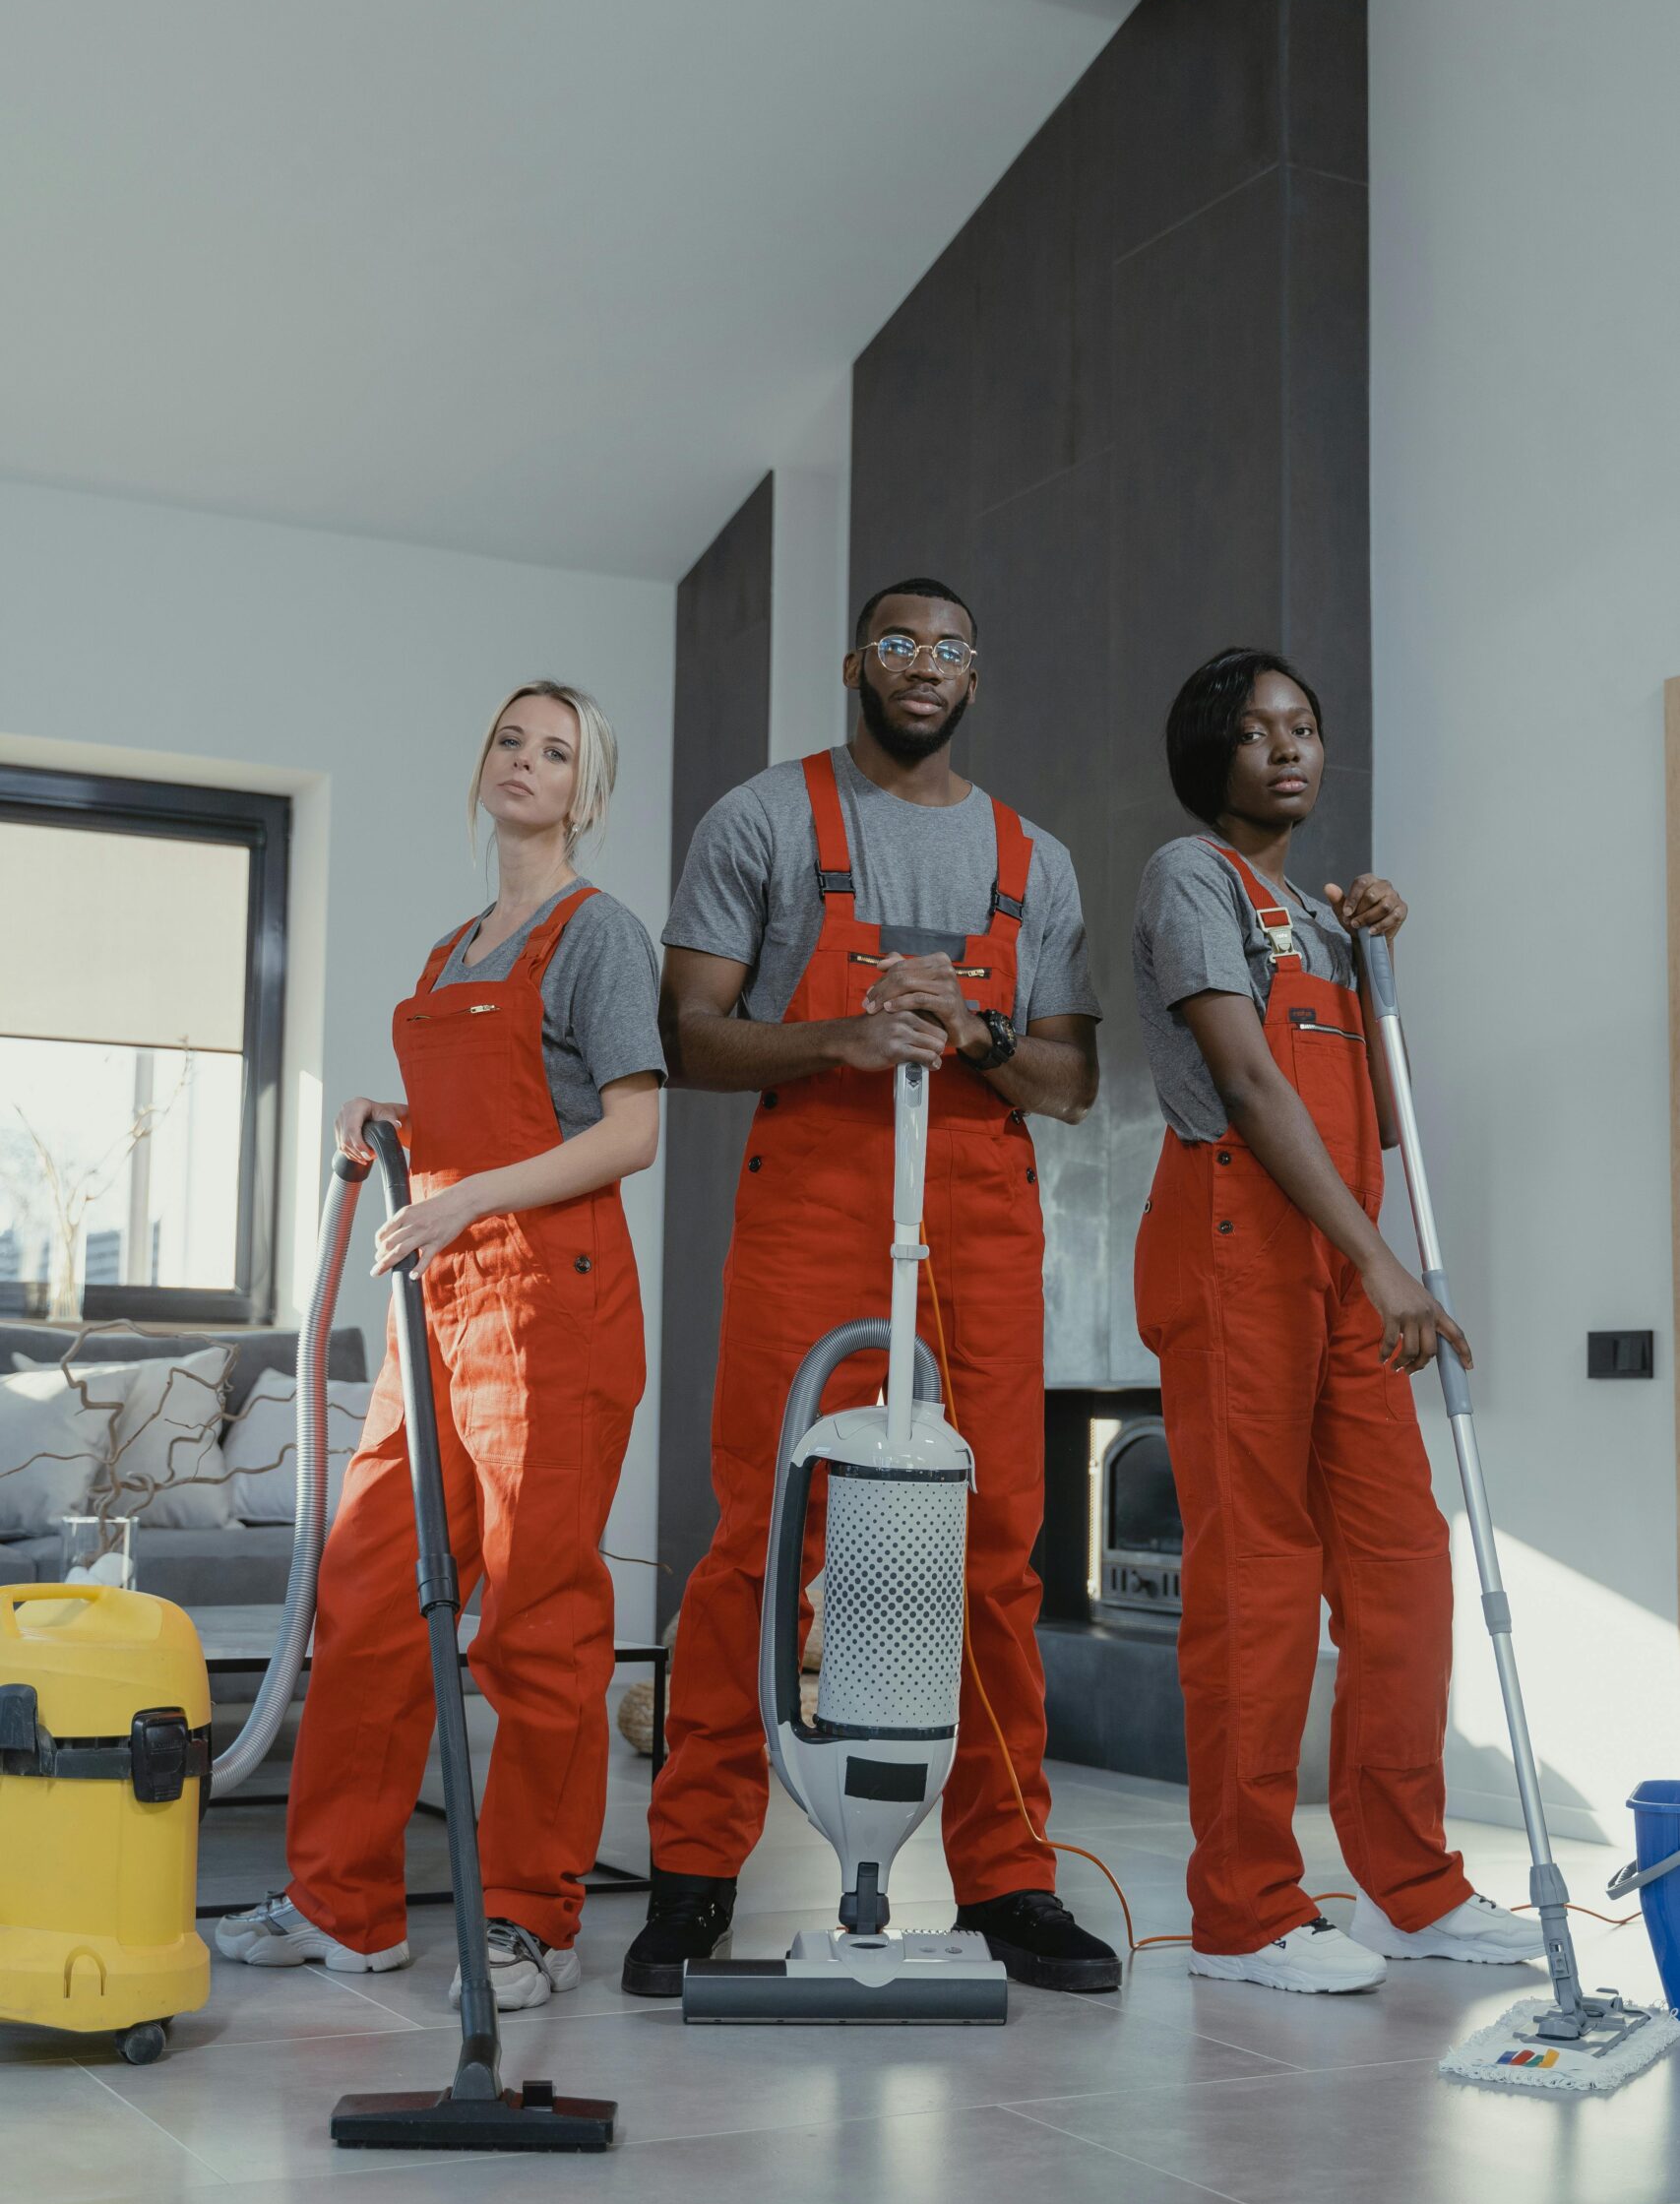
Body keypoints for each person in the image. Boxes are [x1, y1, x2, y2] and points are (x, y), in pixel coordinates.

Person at [623, 577, 1120, 1996]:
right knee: (757, 1533)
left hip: (979, 1214)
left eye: (951, 648)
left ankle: (1012, 1879)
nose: (924, 666)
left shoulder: (1038, 858)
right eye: (898, 643)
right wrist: (843, 1035)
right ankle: (696, 1874)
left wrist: (974, 1038)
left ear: (978, 674)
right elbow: (693, 1038)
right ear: (857, 663)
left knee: (1002, 1540)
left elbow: (1074, 1081)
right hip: (814, 1200)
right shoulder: (765, 820)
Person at [218, 681, 662, 2010]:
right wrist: (391, 1117)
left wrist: (464, 1194)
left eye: (557, 751)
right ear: (483, 767)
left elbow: (630, 1128)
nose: (526, 764)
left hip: (549, 1301)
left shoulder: (599, 936)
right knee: (367, 1595)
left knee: (533, 1617)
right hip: (440, 1298)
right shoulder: (455, 948)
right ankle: (342, 1902)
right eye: (511, 742)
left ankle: (534, 1918)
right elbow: (488, 1114)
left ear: (588, 791)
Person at [1131, 647, 1542, 1991]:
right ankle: (1244, 1911)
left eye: (1304, 728)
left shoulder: (1320, 911)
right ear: (1214, 758)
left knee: (1404, 1568)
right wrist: (1385, 1264)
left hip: (1334, 1256)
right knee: (1255, 1582)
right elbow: (1250, 1082)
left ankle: (1409, 1888)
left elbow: (1371, 1099)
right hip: (1236, 1243)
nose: (1290, 750)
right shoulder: (1192, 879)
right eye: (1258, 734)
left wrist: (1368, 952)